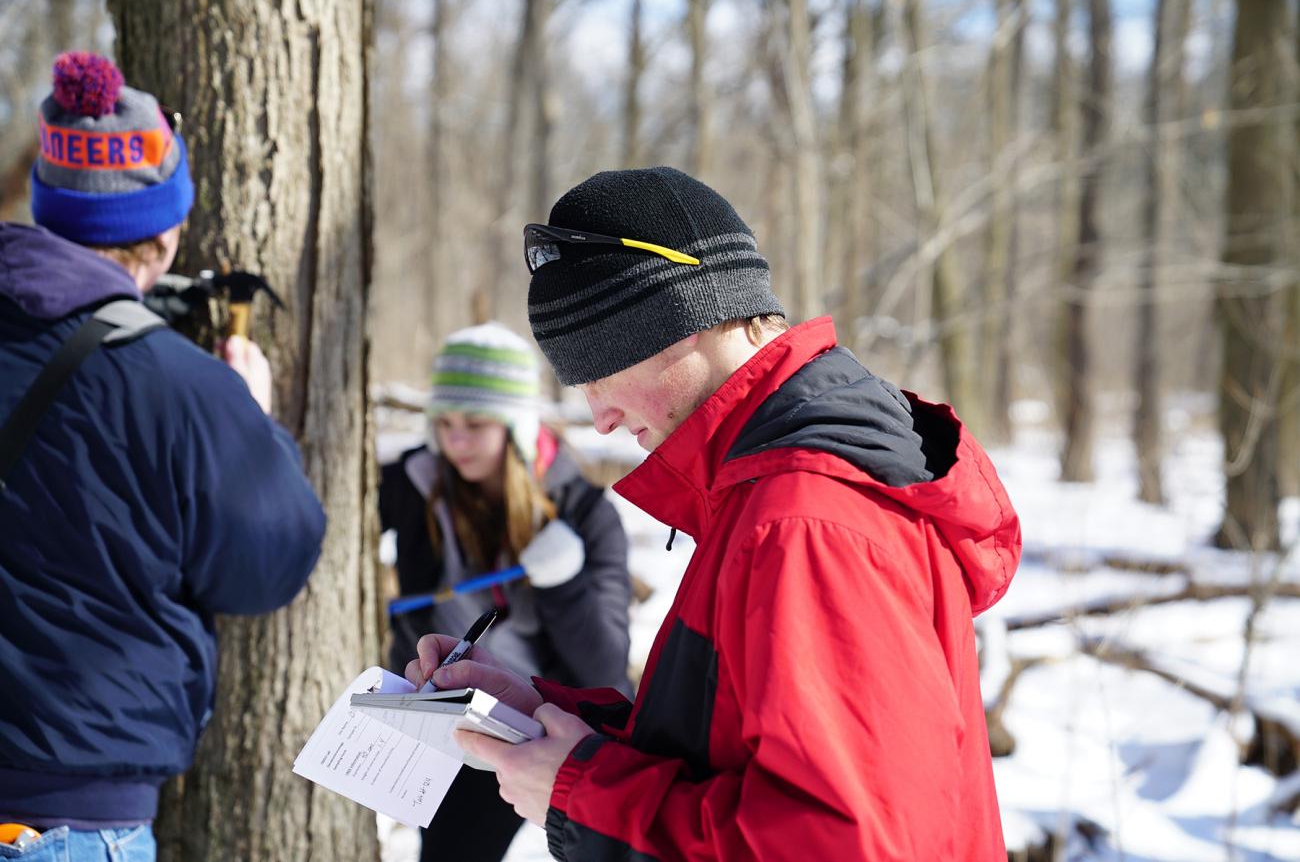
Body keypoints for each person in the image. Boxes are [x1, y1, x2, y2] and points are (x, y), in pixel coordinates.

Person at [406, 166, 1022, 861]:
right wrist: (538, 714)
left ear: (676, 327)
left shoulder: (807, 521)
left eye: (597, 374)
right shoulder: (762, 493)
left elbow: (845, 842)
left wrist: (582, 788)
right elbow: (730, 749)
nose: (600, 418)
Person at [0, 53, 325, 861]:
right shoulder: (183, 389)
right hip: (68, 814)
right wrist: (248, 420)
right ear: (168, 225)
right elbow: (269, 566)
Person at [380, 321, 632, 862]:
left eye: (476, 422)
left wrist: (563, 584)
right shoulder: (416, 483)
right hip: (445, 710)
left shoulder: (584, 513)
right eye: (443, 422)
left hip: (542, 721)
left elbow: (603, 666)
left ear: (516, 426)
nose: (456, 440)